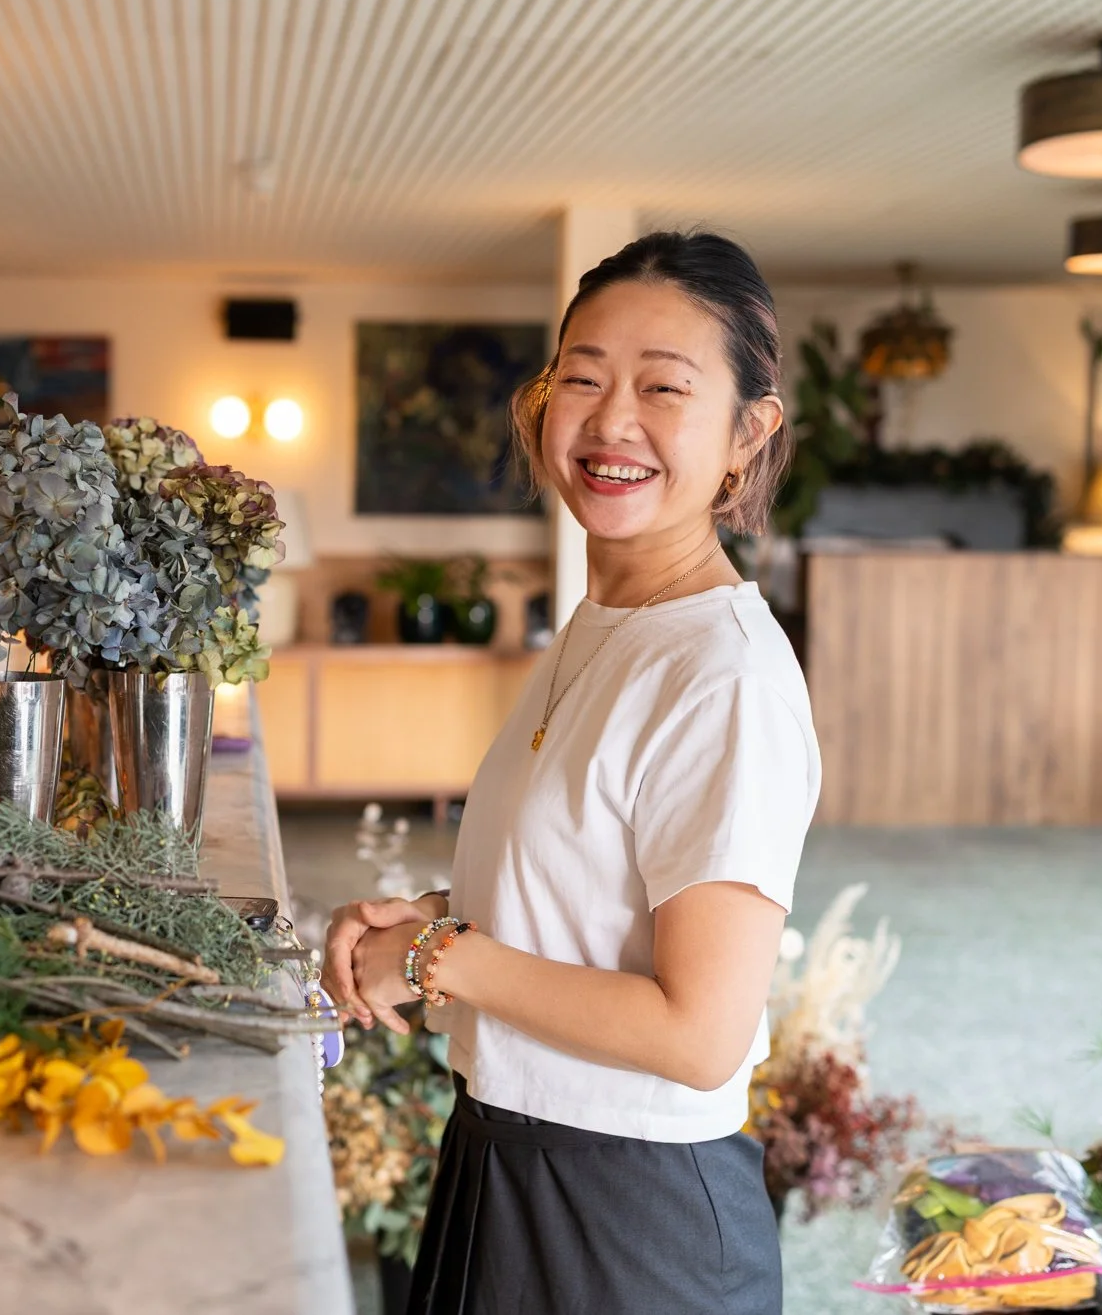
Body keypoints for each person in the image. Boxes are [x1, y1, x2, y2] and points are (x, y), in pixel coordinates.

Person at [321, 230, 820, 1315]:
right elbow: (593, 896)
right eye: (581, 379)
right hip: (510, 1161)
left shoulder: (721, 674)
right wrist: (428, 919)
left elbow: (698, 1033)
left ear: (746, 435)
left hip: (628, 1220)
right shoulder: (610, 623)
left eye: (661, 389)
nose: (609, 422)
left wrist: (440, 956)